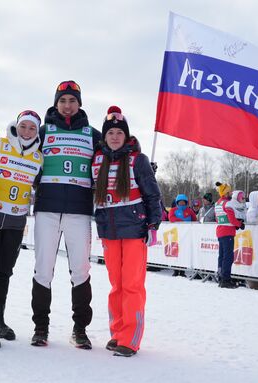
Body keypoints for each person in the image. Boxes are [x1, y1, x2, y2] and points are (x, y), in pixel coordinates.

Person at [31, 80, 102, 349]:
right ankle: (40, 327)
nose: (67, 105)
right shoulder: (43, 131)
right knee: (43, 269)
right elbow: (21, 154)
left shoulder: (92, 134)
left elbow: (110, 156)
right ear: (56, 103)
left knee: (81, 270)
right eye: (63, 101)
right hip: (47, 210)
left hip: (79, 212)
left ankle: (80, 329)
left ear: (79, 103)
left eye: (72, 100)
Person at [92, 106, 161, 357]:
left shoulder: (138, 160)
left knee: (132, 285)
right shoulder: (97, 159)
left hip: (134, 229)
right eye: (110, 132)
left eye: (119, 132)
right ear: (105, 136)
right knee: (116, 285)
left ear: (126, 135)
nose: (115, 137)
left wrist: (154, 224)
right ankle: (117, 331)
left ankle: (130, 338)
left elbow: (153, 195)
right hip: (109, 230)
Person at [0, 110, 44, 349]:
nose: (27, 132)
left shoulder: (39, 158)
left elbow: (40, 186)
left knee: (5, 272)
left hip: (16, 222)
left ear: (37, 132)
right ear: (17, 127)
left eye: (32, 128)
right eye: (24, 126)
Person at [214, 182, 244, 289]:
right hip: (228, 232)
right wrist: (239, 224)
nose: (231, 193)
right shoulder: (228, 203)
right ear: (226, 192)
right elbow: (231, 219)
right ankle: (226, 279)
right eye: (230, 191)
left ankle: (221, 277)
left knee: (222, 256)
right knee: (228, 257)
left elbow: (218, 218)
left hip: (220, 231)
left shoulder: (217, 203)